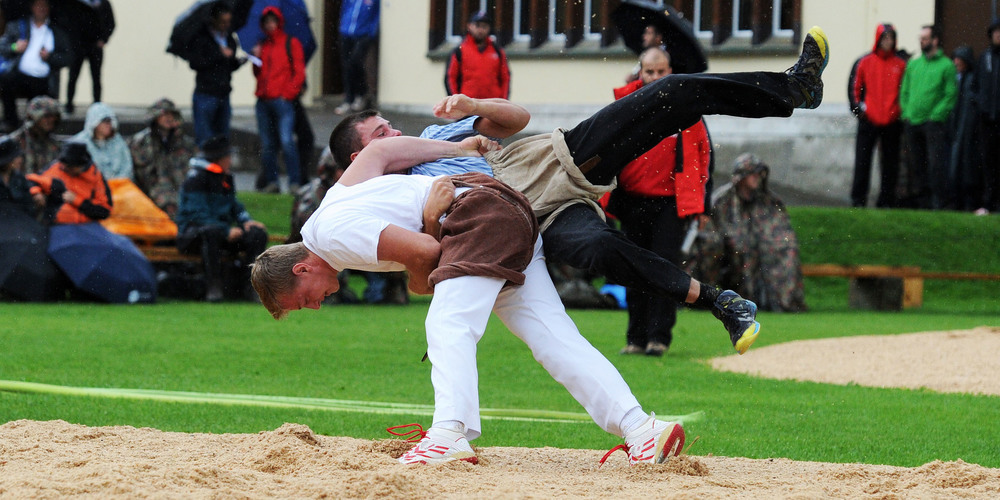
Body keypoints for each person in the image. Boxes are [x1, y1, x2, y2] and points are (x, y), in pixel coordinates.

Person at [328, 26, 831, 355]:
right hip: (529, 220)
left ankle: (792, 88)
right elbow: (426, 260)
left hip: (547, 162)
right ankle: (723, 303)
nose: (394, 135)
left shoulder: (433, 136)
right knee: (596, 248)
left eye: (390, 126)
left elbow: (516, 119)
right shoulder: (375, 198)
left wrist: (471, 103)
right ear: (358, 159)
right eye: (380, 134)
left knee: (671, 93)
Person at [251, 142, 688, 467]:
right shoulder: (329, 209)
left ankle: (449, 434)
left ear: (301, 270)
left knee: (448, 325)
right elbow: (380, 150)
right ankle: (641, 429)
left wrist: (426, 242)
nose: (314, 307)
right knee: (553, 338)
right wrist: (455, 149)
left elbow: (424, 254)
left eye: (302, 301)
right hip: (505, 210)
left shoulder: (329, 238)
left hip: (478, 216)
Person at [604, 47, 712, 357]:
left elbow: (703, 158)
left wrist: (701, 205)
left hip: (669, 205)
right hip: (633, 202)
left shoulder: (685, 108)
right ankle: (635, 338)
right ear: (640, 72)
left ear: (670, 72)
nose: (654, 77)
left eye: (660, 71)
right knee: (634, 270)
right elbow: (607, 148)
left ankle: (658, 338)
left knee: (664, 269)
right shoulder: (626, 105)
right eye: (649, 71)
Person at [286, 147, 407, 305]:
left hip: (365, 249)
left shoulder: (368, 191)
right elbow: (310, 245)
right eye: (343, 169)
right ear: (329, 171)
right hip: (326, 254)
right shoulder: (312, 197)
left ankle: (383, 293)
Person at [699, 154, 808, 312]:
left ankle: (783, 302)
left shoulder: (769, 201)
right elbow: (711, 230)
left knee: (787, 251)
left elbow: (780, 229)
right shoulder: (722, 200)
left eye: (759, 174)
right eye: (753, 174)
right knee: (737, 249)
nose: (757, 178)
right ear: (742, 176)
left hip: (763, 251)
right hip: (729, 257)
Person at [176, 135, 268, 303]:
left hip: (221, 231)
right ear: (218, 158)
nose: (230, 160)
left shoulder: (225, 178)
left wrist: (246, 221)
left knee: (257, 234)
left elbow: (233, 205)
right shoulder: (195, 179)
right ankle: (214, 286)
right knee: (211, 232)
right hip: (193, 235)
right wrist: (226, 230)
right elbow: (197, 214)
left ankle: (251, 285)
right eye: (228, 157)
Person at [899, 25, 957, 209]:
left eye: (925, 38)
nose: (921, 41)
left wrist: (936, 115)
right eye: (920, 38)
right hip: (913, 122)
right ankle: (922, 203)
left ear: (935, 40)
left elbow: (950, 95)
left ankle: (938, 202)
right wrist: (906, 112)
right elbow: (904, 91)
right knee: (917, 165)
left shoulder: (946, 65)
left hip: (933, 124)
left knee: (936, 164)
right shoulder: (914, 64)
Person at [850, 23, 906, 208]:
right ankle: (858, 200)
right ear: (878, 39)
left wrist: (899, 113)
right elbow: (854, 89)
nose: (888, 42)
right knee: (862, 162)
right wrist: (860, 112)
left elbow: (904, 92)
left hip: (892, 121)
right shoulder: (865, 62)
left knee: (890, 164)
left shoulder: (900, 64)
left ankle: (886, 201)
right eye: (885, 38)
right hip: (869, 120)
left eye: (891, 38)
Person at [251, 6, 304, 193]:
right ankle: (273, 182)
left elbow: (299, 73)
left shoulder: (291, 43)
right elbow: (258, 73)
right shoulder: (263, 45)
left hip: (282, 101)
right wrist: (256, 59)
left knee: (286, 141)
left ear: (279, 22)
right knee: (267, 146)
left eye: (272, 21)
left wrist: (287, 94)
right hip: (264, 100)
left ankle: (294, 182)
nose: (270, 25)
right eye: (266, 22)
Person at [0, 0, 71, 132]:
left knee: (38, 105)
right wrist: (15, 47)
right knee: (6, 80)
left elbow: (67, 58)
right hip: (20, 74)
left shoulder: (56, 32)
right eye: (38, 5)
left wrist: (49, 57)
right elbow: (2, 46)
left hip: (43, 80)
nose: (41, 9)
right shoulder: (18, 26)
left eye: (45, 6)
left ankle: (34, 129)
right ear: (32, 7)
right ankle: (10, 122)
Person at [187, 2, 246, 147]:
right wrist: (218, 54)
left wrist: (238, 62)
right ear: (214, 20)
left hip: (223, 93)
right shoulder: (201, 38)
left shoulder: (229, 39)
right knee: (205, 139)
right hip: (206, 94)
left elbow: (227, 66)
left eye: (228, 21)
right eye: (223, 22)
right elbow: (195, 63)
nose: (226, 25)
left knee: (222, 139)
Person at [128, 98, 198, 218]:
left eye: (172, 114)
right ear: (155, 118)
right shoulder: (139, 143)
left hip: (180, 196)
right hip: (150, 197)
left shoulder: (185, 144)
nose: (168, 118)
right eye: (164, 114)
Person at [35, 140, 111, 224]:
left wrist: (77, 201)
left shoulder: (95, 176)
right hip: (56, 225)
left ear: (80, 166)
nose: (64, 168)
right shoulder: (56, 167)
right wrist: (36, 192)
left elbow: (104, 211)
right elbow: (33, 180)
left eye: (69, 167)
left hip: (86, 225)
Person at [61, 0, 114, 115]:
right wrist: (72, 42)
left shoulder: (103, 3)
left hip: (95, 46)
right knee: (73, 76)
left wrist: (103, 39)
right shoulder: (76, 4)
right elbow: (68, 22)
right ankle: (69, 104)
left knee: (96, 77)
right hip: (78, 47)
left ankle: (97, 105)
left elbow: (111, 23)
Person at [444, 11, 510, 100]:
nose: (480, 30)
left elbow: (505, 78)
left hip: (492, 104)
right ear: (469, 26)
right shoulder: (460, 51)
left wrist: (503, 101)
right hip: (468, 103)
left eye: (484, 26)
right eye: (477, 26)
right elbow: (450, 77)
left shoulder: (497, 51)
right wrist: (456, 100)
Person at [948, 46, 982, 212]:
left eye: (959, 60)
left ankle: (968, 202)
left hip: (967, 131)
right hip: (957, 129)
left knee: (967, 167)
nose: (956, 63)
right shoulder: (957, 79)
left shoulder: (971, 80)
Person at [0, 135, 62, 221]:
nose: (19, 160)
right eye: (15, 157)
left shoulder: (18, 178)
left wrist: (36, 194)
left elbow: (27, 203)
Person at [335, 0, 379, 115]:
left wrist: (371, 32)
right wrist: (342, 26)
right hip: (346, 33)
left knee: (355, 62)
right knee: (346, 66)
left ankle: (361, 93)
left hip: (363, 34)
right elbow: (344, 10)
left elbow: (376, 14)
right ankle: (349, 99)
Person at [70, 102, 132, 181]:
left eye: (110, 121)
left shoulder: (118, 141)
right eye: (104, 121)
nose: (108, 124)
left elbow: (126, 168)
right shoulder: (79, 143)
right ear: (94, 121)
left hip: (117, 188)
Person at [976, 19, 1000, 215]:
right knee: (988, 163)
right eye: (996, 32)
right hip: (987, 120)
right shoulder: (985, 58)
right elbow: (975, 86)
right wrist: (981, 105)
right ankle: (988, 203)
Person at [7, 95, 61, 174]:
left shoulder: (56, 145)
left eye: (54, 116)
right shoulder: (14, 143)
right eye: (46, 116)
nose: (52, 120)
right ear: (33, 117)